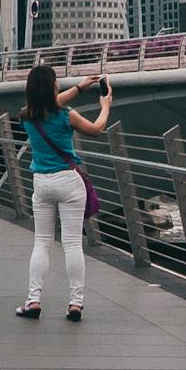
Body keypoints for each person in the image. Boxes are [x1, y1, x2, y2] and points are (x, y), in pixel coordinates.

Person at [15, 63, 115, 321]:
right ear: (52, 87)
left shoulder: (26, 114)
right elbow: (96, 130)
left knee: (42, 242)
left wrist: (81, 87)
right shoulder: (66, 115)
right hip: (69, 182)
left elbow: (48, 103)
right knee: (72, 243)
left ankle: (34, 300)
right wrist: (105, 106)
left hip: (42, 183)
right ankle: (75, 303)